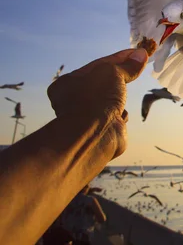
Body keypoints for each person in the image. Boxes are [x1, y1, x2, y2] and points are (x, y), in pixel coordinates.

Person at [0, 48, 149, 245]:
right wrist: (100, 124)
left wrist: (88, 123)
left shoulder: (64, 201)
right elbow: (102, 219)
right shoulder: (85, 200)